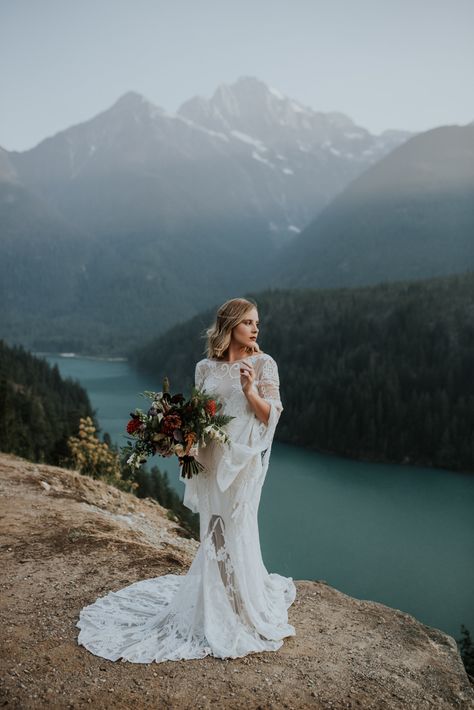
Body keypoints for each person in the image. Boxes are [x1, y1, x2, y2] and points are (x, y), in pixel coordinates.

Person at [76, 297, 296, 663]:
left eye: (257, 323)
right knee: (212, 529)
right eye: (248, 322)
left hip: (240, 461)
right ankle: (217, 603)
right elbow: (198, 417)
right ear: (229, 327)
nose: (256, 329)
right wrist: (183, 447)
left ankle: (241, 607)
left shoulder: (263, 363)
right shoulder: (204, 368)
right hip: (210, 461)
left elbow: (271, 415)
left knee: (237, 526)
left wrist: (250, 390)